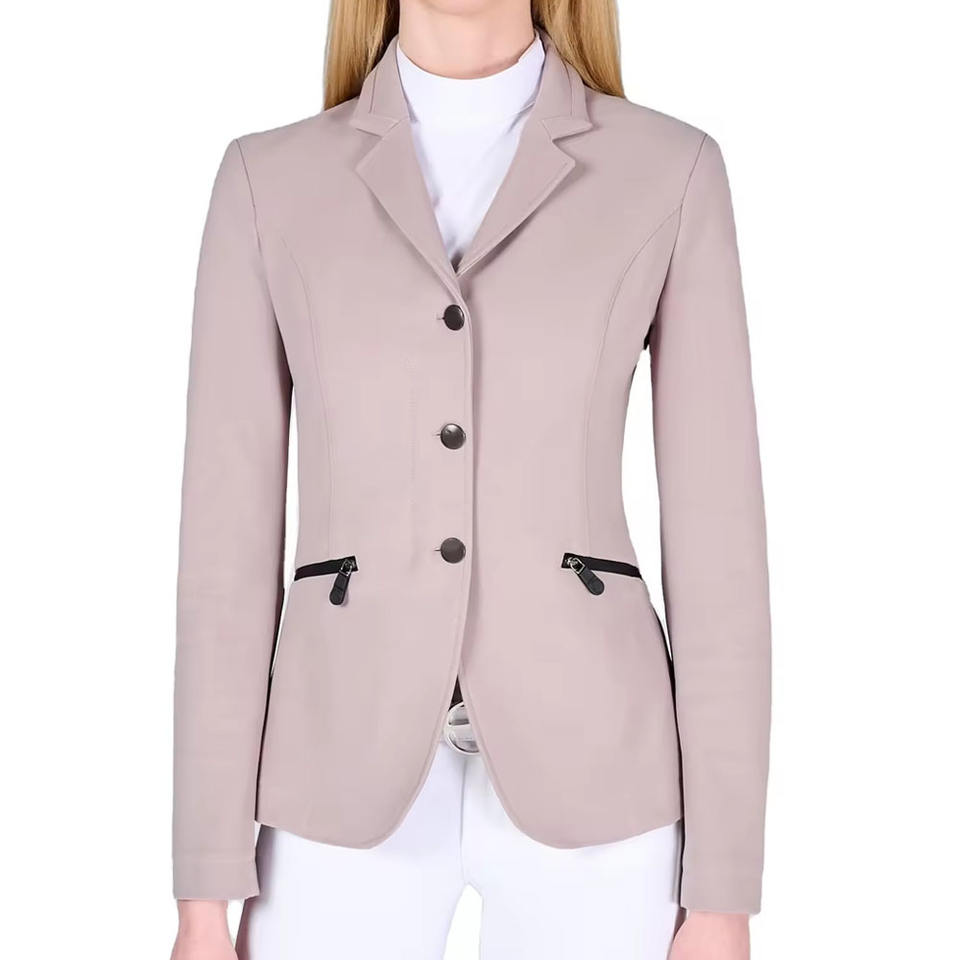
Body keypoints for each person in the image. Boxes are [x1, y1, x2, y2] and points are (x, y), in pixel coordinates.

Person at [170, 2, 771, 958]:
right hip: (336, 769)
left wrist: (723, 895)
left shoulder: (670, 171)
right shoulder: (268, 181)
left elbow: (720, 547)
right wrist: (203, 892)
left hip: (599, 775)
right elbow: (224, 554)